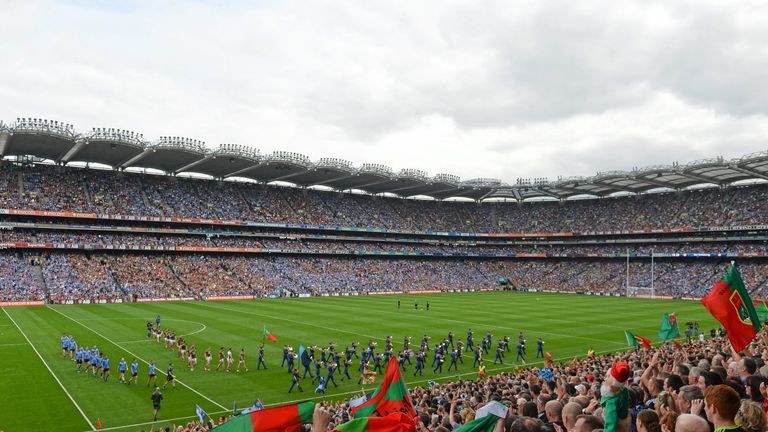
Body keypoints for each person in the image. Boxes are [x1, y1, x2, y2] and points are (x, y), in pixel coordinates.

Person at [601, 361, 631, 432]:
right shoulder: (624, 390)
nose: (605, 380)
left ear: (613, 383)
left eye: (608, 377)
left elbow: (610, 427)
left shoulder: (611, 402)